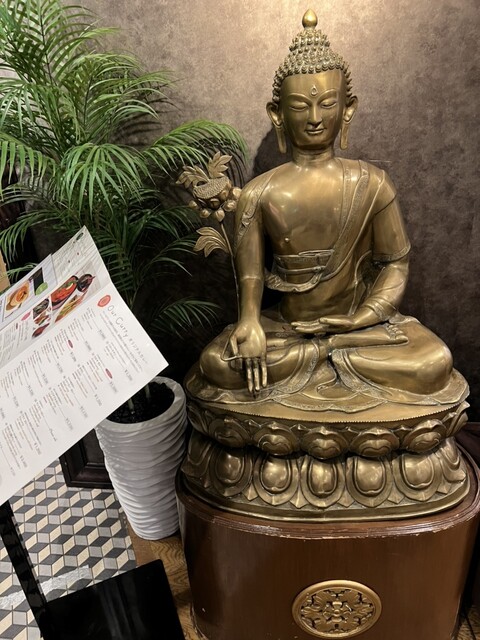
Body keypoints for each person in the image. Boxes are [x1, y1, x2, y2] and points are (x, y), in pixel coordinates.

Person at [194, 9, 464, 413]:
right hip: (288, 329)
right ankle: (327, 357)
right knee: (217, 364)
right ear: (277, 113)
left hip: (360, 329)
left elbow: (396, 264)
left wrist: (361, 318)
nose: (315, 118)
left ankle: (329, 353)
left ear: (348, 108)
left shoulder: (373, 184)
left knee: (432, 362)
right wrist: (249, 322)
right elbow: (250, 276)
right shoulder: (258, 193)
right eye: (300, 106)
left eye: (327, 104)